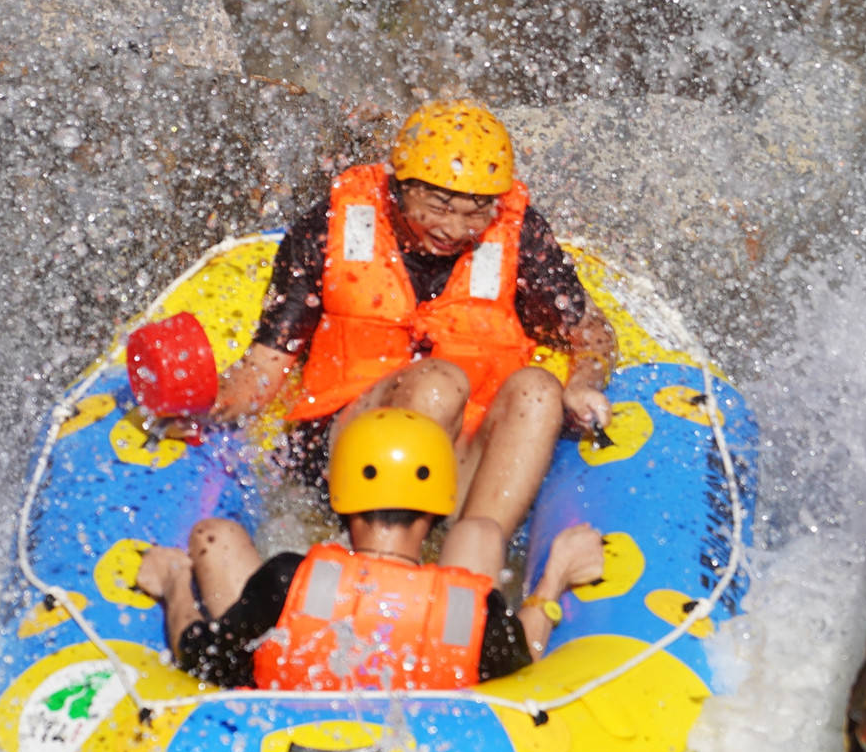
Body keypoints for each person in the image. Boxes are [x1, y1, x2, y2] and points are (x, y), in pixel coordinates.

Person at [205, 96, 616, 541]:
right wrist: (198, 404)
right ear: (399, 188)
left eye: (476, 210)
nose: (457, 228)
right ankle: (387, 559)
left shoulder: (520, 237)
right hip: (351, 452)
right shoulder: (329, 229)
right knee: (435, 384)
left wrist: (583, 385)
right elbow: (262, 373)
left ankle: (474, 564)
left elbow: (594, 338)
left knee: (539, 390)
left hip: (463, 460)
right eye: (438, 205)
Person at [137, 408, 605, 693]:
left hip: (280, 748)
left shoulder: (285, 580)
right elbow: (526, 665)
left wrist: (175, 582)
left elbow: (202, 660)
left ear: (340, 501)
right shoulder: (476, 610)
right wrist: (553, 578)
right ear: (438, 511)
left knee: (214, 536)